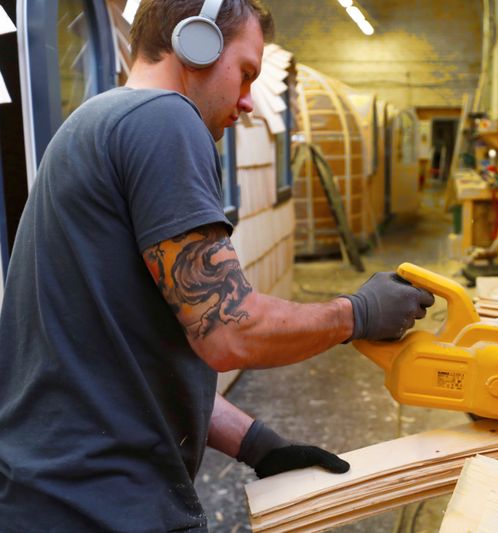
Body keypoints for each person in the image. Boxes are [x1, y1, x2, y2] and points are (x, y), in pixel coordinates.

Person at [0, 1, 434, 530]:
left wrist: (261, 446)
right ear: (195, 42)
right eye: (246, 72)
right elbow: (231, 332)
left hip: (52, 497)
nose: (249, 100)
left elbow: (124, 361)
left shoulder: (96, 122)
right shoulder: (164, 120)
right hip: (101, 506)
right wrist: (358, 313)